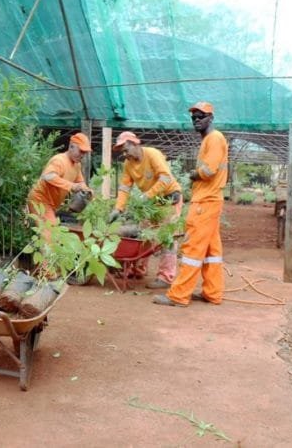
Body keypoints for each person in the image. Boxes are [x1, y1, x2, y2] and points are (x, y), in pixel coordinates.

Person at [153, 101, 229, 307]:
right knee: (212, 250)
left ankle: (178, 295)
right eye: (194, 117)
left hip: (205, 201)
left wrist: (194, 174)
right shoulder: (210, 139)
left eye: (201, 116)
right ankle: (212, 292)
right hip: (210, 200)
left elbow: (208, 171)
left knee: (192, 248)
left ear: (211, 118)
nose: (196, 120)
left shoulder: (214, 138)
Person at [109, 131, 183, 289]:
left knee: (166, 237)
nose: (125, 154)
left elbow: (165, 178)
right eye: (122, 151)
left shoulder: (152, 154)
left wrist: (146, 196)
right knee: (144, 234)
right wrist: (118, 208)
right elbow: (124, 188)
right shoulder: (128, 164)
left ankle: (165, 277)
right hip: (151, 202)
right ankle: (139, 269)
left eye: (126, 150)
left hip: (169, 198)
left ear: (135, 144)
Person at [26, 132, 93, 280]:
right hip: (39, 200)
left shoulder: (76, 165)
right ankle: (48, 274)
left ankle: (42, 269)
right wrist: (71, 186)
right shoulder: (59, 160)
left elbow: (80, 182)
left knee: (52, 234)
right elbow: (48, 176)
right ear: (71, 147)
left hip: (50, 204)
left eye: (85, 152)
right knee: (48, 234)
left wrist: (87, 190)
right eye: (81, 151)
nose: (82, 155)